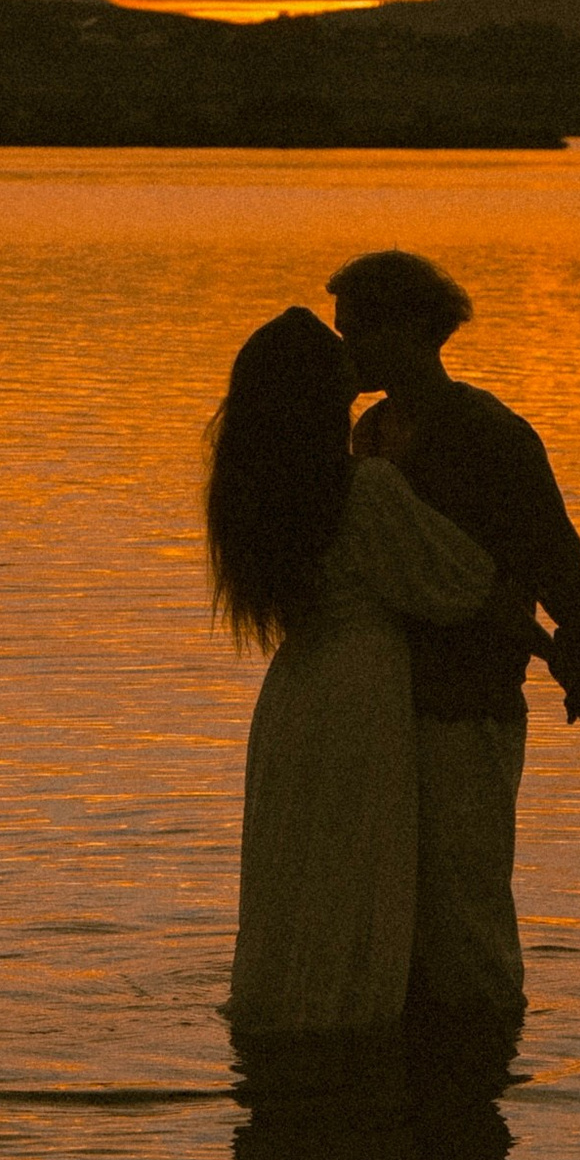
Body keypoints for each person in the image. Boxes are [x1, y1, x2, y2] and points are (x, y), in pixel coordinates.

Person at [329, 250, 580, 1054]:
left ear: (417, 330)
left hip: (471, 695)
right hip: (390, 698)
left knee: (467, 895)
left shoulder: (488, 432)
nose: (347, 348)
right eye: (342, 331)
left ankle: (487, 1055)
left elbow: (555, 553)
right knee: (406, 901)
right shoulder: (371, 430)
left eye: (361, 331)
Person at [209, 307, 508, 1034]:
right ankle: (349, 1023)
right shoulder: (365, 490)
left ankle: (291, 1020)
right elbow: (462, 582)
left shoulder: (258, 499)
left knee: (297, 875)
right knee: (352, 874)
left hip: (294, 698)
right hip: (358, 697)